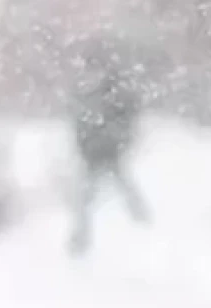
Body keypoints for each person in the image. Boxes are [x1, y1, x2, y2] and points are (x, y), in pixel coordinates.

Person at [68, 42, 149, 255]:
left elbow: (126, 116)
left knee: (102, 190)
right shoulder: (94, 93)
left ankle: (140, 219)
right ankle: (82, 235)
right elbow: (81, 122)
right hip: (97, 150)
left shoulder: (110, 94)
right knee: (91, 193)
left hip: (106, 148)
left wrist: (116, 137)